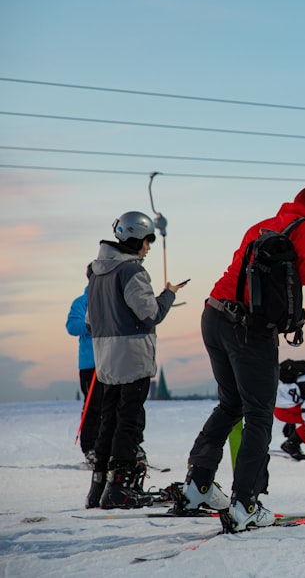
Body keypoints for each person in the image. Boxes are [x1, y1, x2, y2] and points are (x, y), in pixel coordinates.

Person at [180, 187, 305, 532]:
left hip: (214, 314)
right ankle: (245, 504)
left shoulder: (264, 225)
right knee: (258, 413)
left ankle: (198, 485)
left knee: (231, 405)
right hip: (248, 331)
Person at [85, 211, 186, 509]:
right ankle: (121, 489)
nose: (149, 247)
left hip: (105, 358)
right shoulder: (132, 272)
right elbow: (149, 314)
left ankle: (99, 487)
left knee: (109, 421)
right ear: (134, 238)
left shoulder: (95, 271)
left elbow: (91, 322)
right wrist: (167, 295)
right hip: (132, 357)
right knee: (130, 421)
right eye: (147, 240)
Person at [66, 286, 103, 467]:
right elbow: (72, 326)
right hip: (91, 364)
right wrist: (90, 325)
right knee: (93, 406)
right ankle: (90, 448)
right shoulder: (81, 302)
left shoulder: (111, 298)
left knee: (115, 406)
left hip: (113, 361)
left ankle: (112, 447)